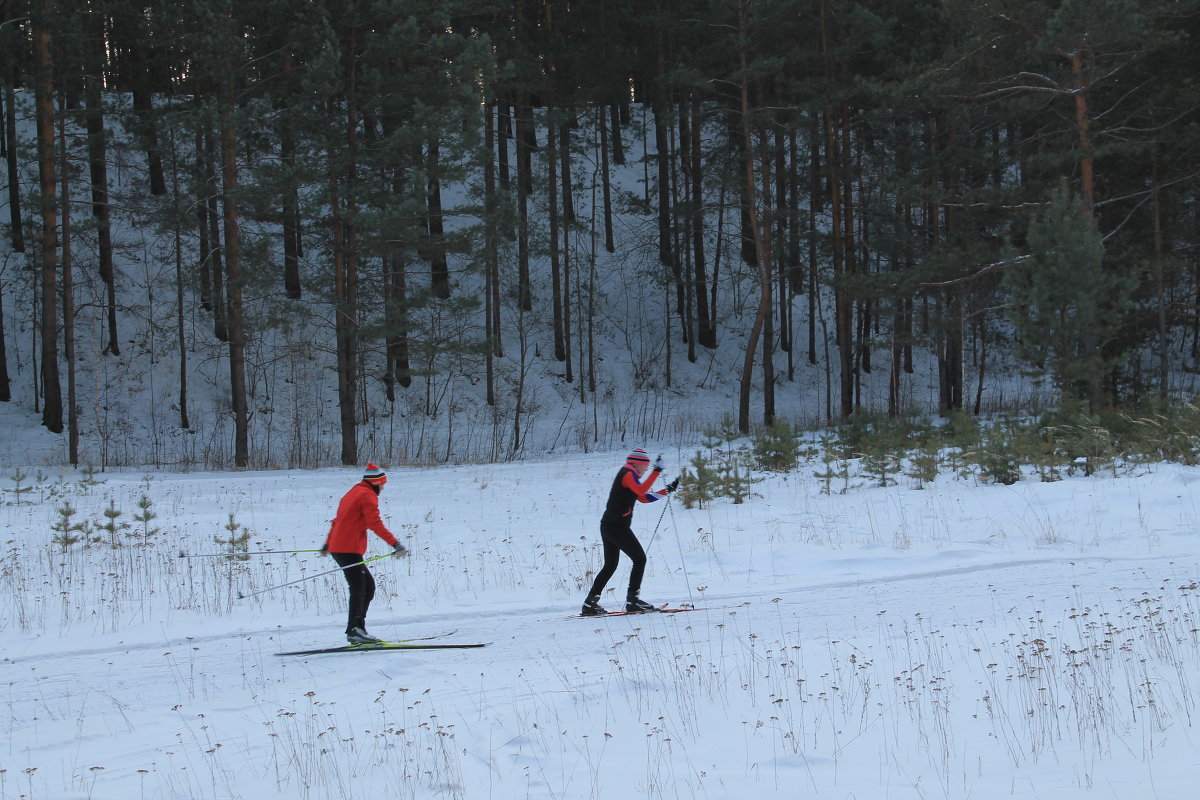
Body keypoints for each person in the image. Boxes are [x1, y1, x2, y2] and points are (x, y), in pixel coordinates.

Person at [581, 448, 679, 615]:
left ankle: (590, 604)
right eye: (645, 467)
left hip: (609, 525)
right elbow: (642, 491)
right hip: (616, 527)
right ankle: (633, 601)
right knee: (639, 559)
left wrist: (667, 490)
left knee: (610, 565)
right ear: (638, 465)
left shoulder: (630, 475)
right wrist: (657, 471)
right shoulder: (628, 472)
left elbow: (643, 498)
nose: (645, 471)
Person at [322, 463, 407, 644]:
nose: (383, 488)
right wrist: (395, 544)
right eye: (382, 484)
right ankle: (355, 630)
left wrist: (328, 543)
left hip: (340, 546)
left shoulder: (353, 492)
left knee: (367, 587)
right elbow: (374, 523)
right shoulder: (367, 496)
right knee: (360, 588)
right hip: (348, 547)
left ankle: (357, 628)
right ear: (375, 483)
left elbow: (337, 521)